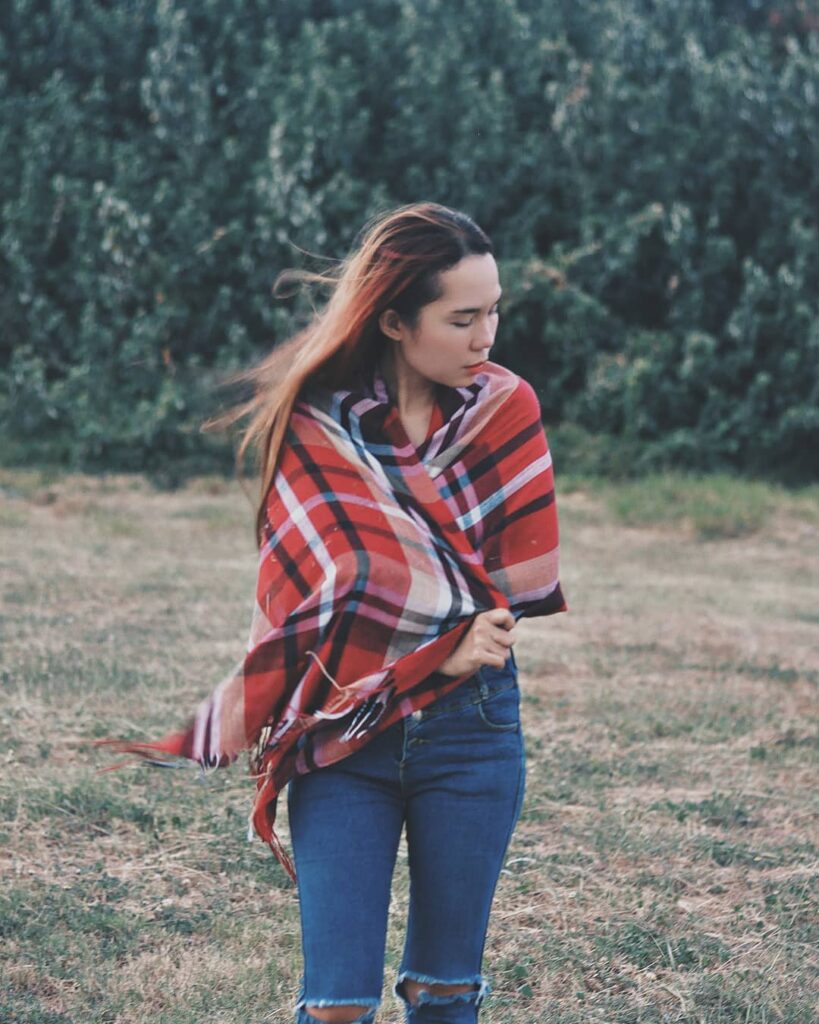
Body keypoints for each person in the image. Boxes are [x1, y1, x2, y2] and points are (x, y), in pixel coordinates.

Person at [102, 201, 566, 1023]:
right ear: (393, 318)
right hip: (341, 732)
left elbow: (503, 592)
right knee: (336, 1005)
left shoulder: (506, 408)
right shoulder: (318, 421)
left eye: (494, 312)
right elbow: (303, 595)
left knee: (444, 990)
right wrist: (433, 646)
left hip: (470, 730)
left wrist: (462, 644)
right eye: (461, 318)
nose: (485, 336)